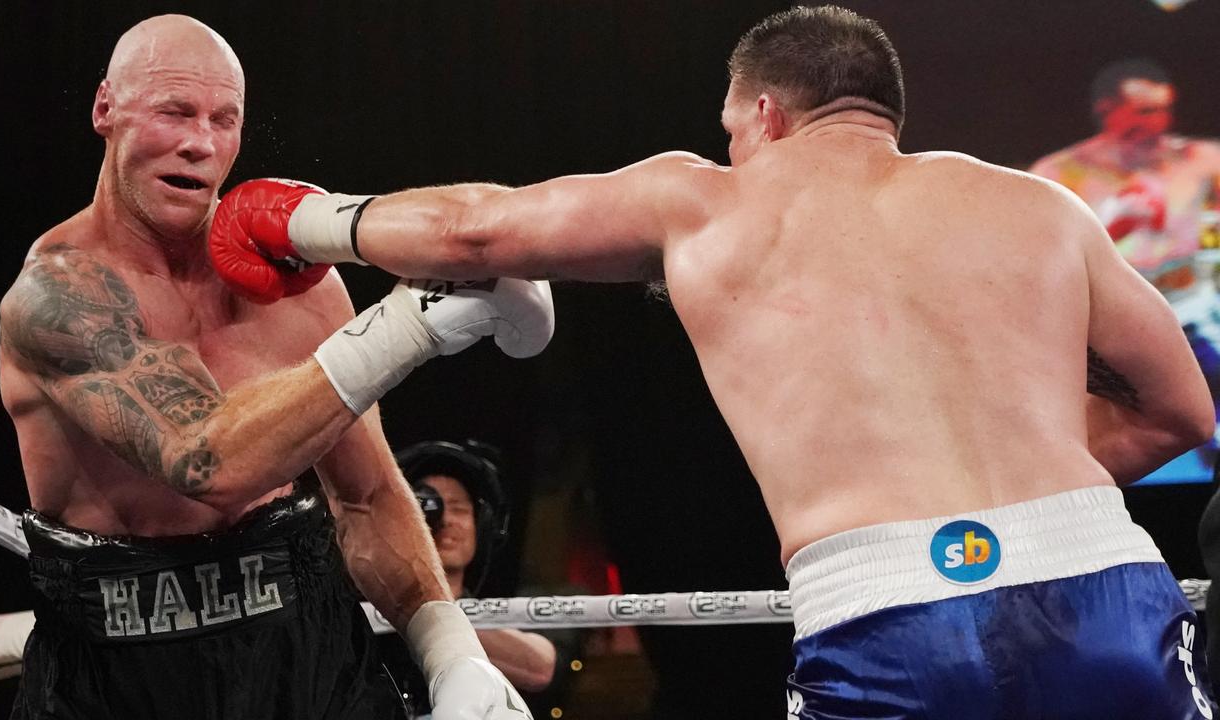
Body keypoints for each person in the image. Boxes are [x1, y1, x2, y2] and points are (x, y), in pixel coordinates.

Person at [211, 4, 1217, 717]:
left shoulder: (703, 199)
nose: (729, 147)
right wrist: (1019, 462)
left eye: (730, 129)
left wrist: (300, 219)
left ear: (765, 114)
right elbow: (1181, 413)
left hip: (886, 611)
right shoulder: (1037, 205)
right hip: (1095, 574)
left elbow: (475, 232)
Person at [0, 14, 550, 720]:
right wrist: (410, 326)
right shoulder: (56, 296)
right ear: (105, 107)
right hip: (118, 668)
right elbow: (206, 462)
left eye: (224, 119)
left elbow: (368, 496)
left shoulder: (301, 286)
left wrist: (451, 654)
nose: (200, 142)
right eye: (175, 112)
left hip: (308, 644)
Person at [1030, 59, 1220, 461]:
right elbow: (1034, 265)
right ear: (1107, 109)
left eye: (1164, 110)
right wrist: (1114, 225)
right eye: (1144, 111)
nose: (1158, 123)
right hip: (1112, 329)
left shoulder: (1201, 160)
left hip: (1197, 309)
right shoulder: (1059, 175)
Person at [379, 441, 558, 719]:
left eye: (459, 508)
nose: (445, 519)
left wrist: (426, 617)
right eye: (426, 504)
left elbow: (541, 665)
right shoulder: (367, 614)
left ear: (482, 526)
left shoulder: (495, 619)